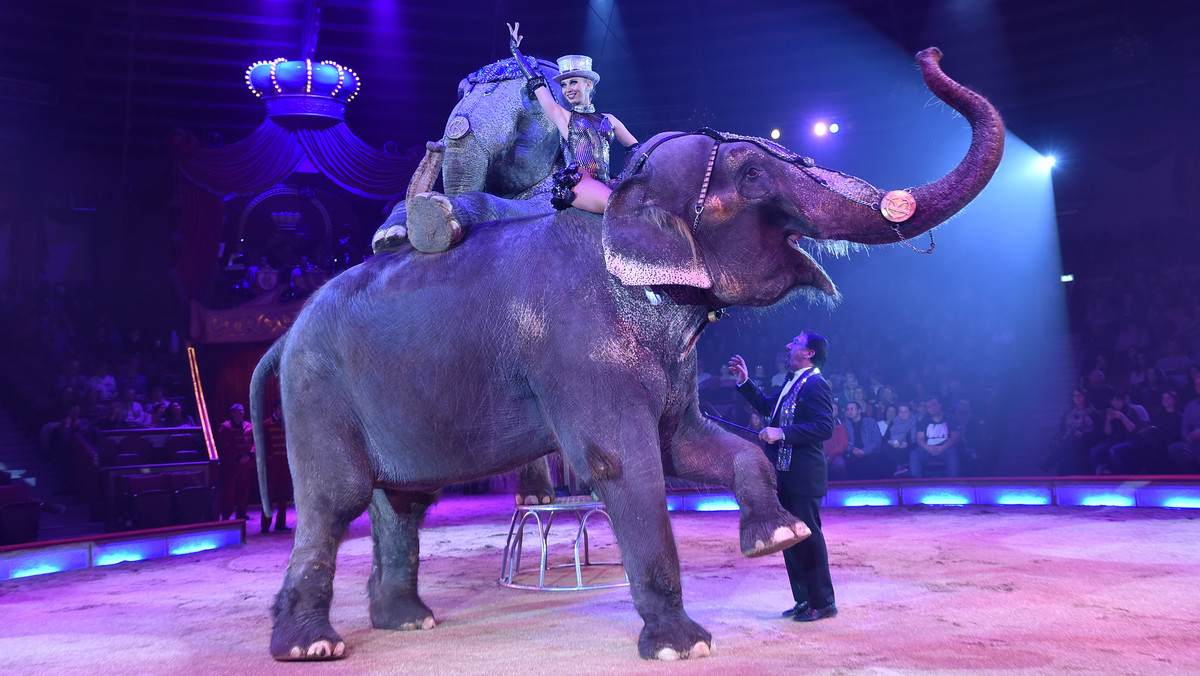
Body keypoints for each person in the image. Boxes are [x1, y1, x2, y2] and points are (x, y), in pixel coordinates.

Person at [406, 22, 638, 254]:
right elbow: (536, 84)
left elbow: (635, 150)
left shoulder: (610, 120)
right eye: (565, 84)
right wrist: (516, 51)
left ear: (589, 84)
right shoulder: (564, 117)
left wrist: (630, 176)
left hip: (605, 181)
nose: (568, 88)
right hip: (581, 181)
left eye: (574, 82)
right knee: (620, 206)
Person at [729, 331, 837, 623]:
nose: (789, 346)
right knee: (791, 538)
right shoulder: (794, 383)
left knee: (809, 536)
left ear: (810, 353)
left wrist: (783, 432)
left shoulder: (816, 385)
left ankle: (823, 602)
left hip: (804, 474)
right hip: (785, 473)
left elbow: (825, 427)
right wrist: (745, 382)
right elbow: (769, 408)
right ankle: (804, 598)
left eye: (797, 343)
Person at [1089, 392, 1149, 475]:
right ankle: (1100, 474)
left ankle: (1120, 476)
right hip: (1115, 441)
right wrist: (1108, 420)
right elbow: (1108, 433)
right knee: (1095, 451)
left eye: (1117, 400)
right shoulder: (1111, 411)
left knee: (1113, 451)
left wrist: (1123, 418)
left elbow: (1133, 430)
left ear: (1123, 400)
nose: (1115, 402)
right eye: (1113, 400)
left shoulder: (1131, 410)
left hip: (1132, 441)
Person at [217, 403, 255, 521]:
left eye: (243, 410)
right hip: (232, 464)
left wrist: (250, 455)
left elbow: (255, 442)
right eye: (239, 410)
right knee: (229, 489)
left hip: (247, 463)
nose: (242, 412)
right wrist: (238, 457)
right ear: (233, 413)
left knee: (244, 488)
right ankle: (226, 514)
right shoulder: (226, 427)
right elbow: (225, 445)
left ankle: (241, 513)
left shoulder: (249, 425)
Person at [261, 399, 293, 533]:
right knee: (268, 495)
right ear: (275, 409)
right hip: (271, 465)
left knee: (283, 495)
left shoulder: (288, 424)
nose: (282, 412)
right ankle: (265, 525)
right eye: (279, 409)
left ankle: (280, 523)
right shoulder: (266, 424)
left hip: (284, 465)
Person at [911, 396, 962, 478]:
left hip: (946, 448)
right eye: (928, 407)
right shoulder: (924, 420)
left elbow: (954, 437)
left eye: (934, 405)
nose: (931, 408)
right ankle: (916, 484)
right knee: (915, 454)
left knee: (952, 454)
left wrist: (942, 448)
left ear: (940, 405)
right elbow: (919, 438)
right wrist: (927, 447)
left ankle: (953, 483)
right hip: (928, 449)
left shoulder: (950, 418)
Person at [841, 401, 885, 479]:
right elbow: (844, 442)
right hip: (854, 452)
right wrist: (852, 450)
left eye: (852, 409)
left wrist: (864, 451)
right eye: (848, 409)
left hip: (870, 451)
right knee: (850, 463)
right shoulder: (845, 425)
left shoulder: (871, 422)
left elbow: (877, 440)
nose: (849, 411)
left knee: (873, 461)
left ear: (859, 411)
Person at [1168, 371, 1200, 473]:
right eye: (1197, 384)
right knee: (1174, 448)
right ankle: (1193, 477)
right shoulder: (1191, 405)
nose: (1198, 386)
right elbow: (1185, 427)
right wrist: (1188, 438)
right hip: (1194, 441)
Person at [882, 402, 919, 477]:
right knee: (884, 447)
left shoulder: (914, 422)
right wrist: (891, 442)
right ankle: (896, 470)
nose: (903, 414)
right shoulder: (894, 421)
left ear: (910, 412)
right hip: (895, 445)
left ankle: (899, 469)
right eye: (901, 412)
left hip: (909, 447)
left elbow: (913, 442)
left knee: (900, 451)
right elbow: (885, 438)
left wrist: (903, 444)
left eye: (905, 411)